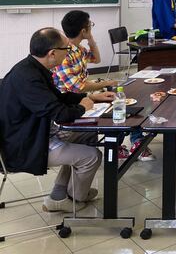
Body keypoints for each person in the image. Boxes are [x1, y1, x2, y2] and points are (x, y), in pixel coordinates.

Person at [0, 28, 101, 212]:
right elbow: (59, 113)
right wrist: (83, 107)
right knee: (92, 156)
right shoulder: (28, 79)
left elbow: (58, 97)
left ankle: (59, 195)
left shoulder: (32, 67)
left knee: (87, 134)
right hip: (24, 145)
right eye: (67, 49)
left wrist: (90, 97)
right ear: (52, 53)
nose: (68, 53)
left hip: (33, 131)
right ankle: (76, 198)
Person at [52, 10, 155, 161]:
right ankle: (118, 145)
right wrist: (107, 83)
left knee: (126, 98)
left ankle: (135, 141)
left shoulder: (78, 49)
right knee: (117, 103)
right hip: (71, 102)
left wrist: (90, 39)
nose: (91, 27)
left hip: (82, 96)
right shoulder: (65, 54)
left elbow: (96, 59)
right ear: (83, 30)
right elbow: (78, 87)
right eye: (90, 25)